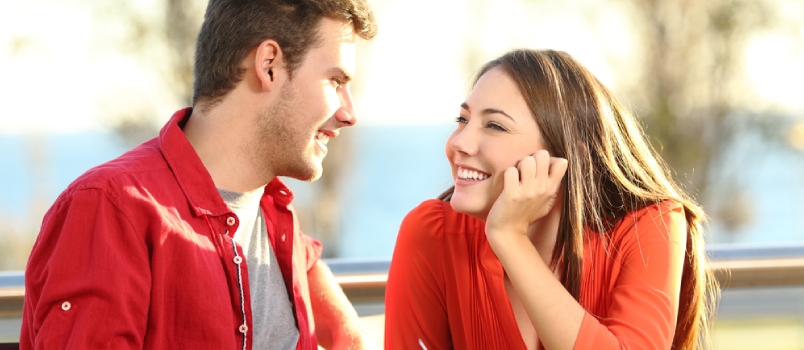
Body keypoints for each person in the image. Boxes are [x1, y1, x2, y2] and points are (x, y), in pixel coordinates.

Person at [20, 0, 377, 349]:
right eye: (335, 81)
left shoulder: (269, 210)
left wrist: (349, 334)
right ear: (269, 65)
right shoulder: (110, 209)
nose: (350, 113)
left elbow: (307, 262)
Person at [384, 49, 719, 350]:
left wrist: (510, 239)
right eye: (463, 119)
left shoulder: (652, 226)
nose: (460, 142)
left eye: (495, 126)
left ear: (569, 155)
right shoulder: (432, 233)